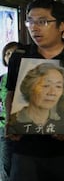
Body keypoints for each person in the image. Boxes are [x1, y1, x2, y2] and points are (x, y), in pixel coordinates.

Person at [5, 0, 64, 181]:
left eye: (43, 22)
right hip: (26, 149)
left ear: (61, 26)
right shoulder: (19, 56)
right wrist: (11, 121)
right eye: (30, 21)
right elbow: (11, 92)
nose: (34, 27)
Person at [8, 62, 64, 135]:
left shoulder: (63, 122)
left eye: (58, 86)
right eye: (46, 85)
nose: (52, 92)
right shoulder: (12, 122)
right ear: (30, 87)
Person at [0, 42, 21, 181]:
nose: (11, 56)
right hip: (3, 128)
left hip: (23, 128)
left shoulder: (27, 77)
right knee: (5, 165)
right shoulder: (2, 79)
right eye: (7, 53)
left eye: (14, 53)